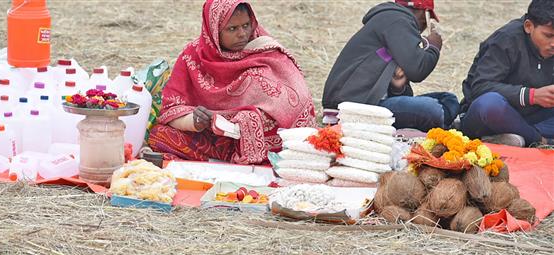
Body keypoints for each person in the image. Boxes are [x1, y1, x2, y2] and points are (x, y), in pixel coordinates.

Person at [147, 0, 316, 165]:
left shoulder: (267, 53)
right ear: (214, 32)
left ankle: (219, 164)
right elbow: (171, 109)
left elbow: (296, 103)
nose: (242, 33)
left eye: (246, 25)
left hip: (265, 141)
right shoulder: (193, 56)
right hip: (214, 138)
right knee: (159, 135)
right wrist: (195, 121)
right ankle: (215, 164)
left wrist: (247, 121)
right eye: (232, 28)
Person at [322, 0, 458, 133]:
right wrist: (433, 47)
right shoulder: (397, 20)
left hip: (368, 99)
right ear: (423, 13)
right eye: (427, 20)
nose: (423, 28)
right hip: (354, 106)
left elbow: (402, 93)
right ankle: (445, 122)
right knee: (432, 109)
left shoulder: (394, 23)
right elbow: (418, 71)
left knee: (448, 99)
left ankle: (442, 120)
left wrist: (397, 88)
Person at [460, 0, 554, 147]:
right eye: (548, 36)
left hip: (537, 118)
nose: (553, 43)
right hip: (498, 116)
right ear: (529, 26)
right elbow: (480, 88)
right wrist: (531, 95)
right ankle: (539, 141)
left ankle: (517, 137)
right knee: (490, 104)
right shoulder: (506, 39)